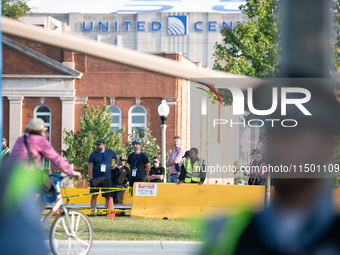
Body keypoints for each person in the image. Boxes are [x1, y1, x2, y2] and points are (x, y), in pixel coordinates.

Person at [0, 118, 81, 254]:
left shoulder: (21, 139)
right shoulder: (40, 140)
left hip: (7, 175)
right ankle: (35, 218)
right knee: (49, 187)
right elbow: (55, 157)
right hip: (23, 176)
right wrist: (70, 171)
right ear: (41, 131)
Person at [88, 138, 119, 211]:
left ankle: (108, 212)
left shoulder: (110, 152)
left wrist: (116, 165)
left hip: (107, 178)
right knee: (94, 196)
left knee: (108, 196)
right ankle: (92, 212)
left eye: (98, 144)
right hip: (96, 179)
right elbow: (90, 166)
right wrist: (91, 178)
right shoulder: (93, 154)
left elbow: (117, 157)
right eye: (96, 144)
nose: (97, 146)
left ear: (104, 145)